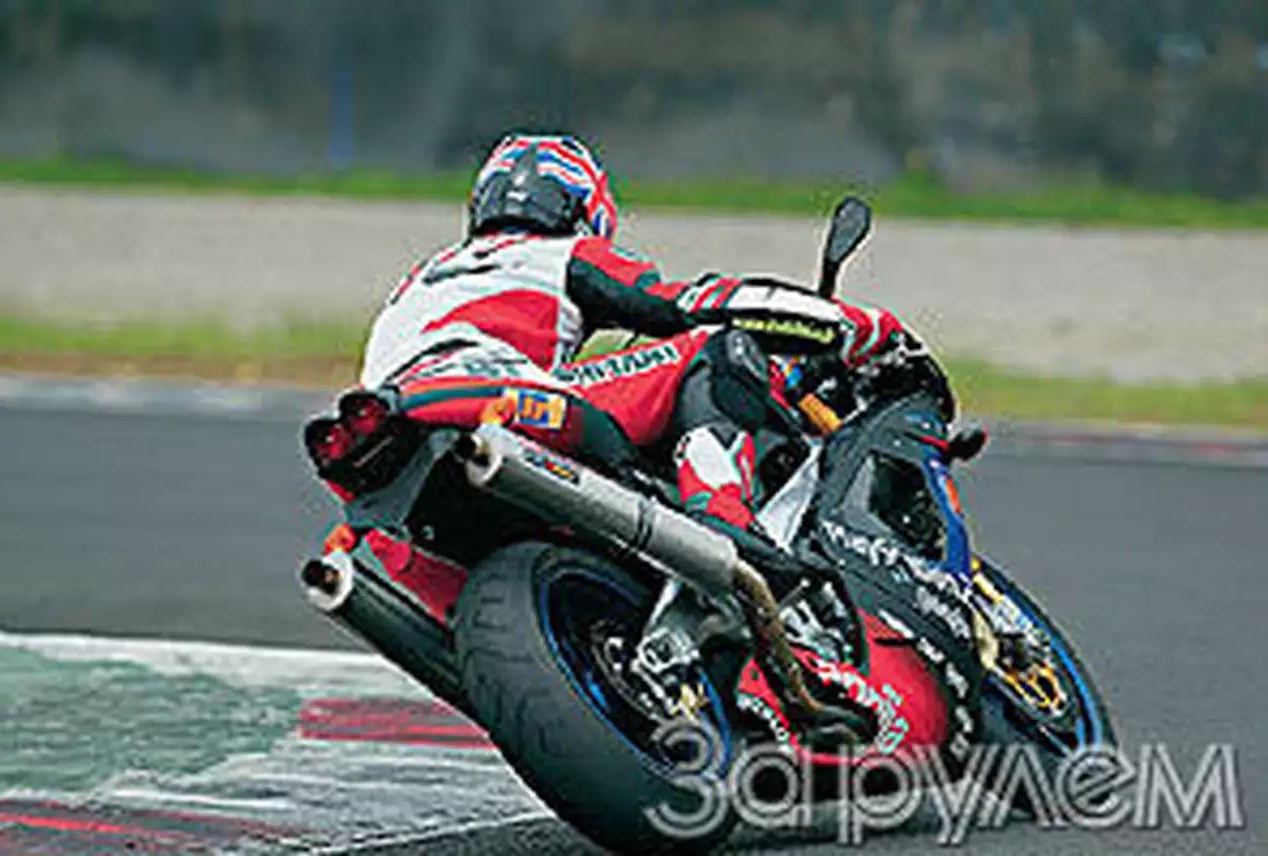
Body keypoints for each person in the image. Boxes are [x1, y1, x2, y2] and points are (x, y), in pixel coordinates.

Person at [340, 132, 944, 744]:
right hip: (500, 403)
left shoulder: (417, 281)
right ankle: (724, 520)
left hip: (386, 455)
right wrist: (865, 331)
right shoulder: (558, 254)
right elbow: (697, 304)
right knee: (713, 349)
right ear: (585, 207)